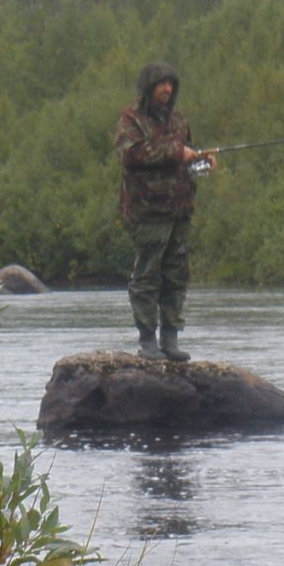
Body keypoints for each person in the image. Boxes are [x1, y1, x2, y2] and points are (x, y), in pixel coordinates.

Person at [114, 62, 213, 361]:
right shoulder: (131, 121)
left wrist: (201, 161)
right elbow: (131, 155)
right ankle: (147, 342)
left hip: (179, 210)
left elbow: (186, 157)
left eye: (170, 84)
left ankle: (170, 340)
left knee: (176, 275)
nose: (167, 90)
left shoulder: (179, 121)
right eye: (161, 84)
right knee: (146, 276)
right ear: (149, 87)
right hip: (147, 212)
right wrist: (176, 151)